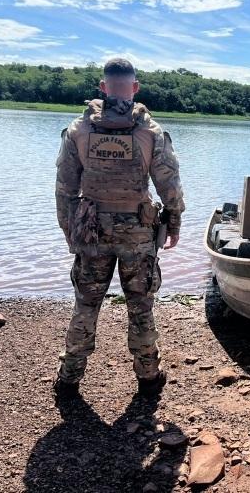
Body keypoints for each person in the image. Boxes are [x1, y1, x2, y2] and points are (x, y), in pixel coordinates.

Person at [53, 57, 185, 398]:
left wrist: (70, 232)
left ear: (103, 87)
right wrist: (174, 222)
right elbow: (169, 185)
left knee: (86, 305)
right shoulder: (150, 132)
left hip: (91, 231)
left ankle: (69, 378)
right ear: (135, 87)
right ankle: (148, 377)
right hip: (137, 233)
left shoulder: (78, 131)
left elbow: (64, 189)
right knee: (140, 306)